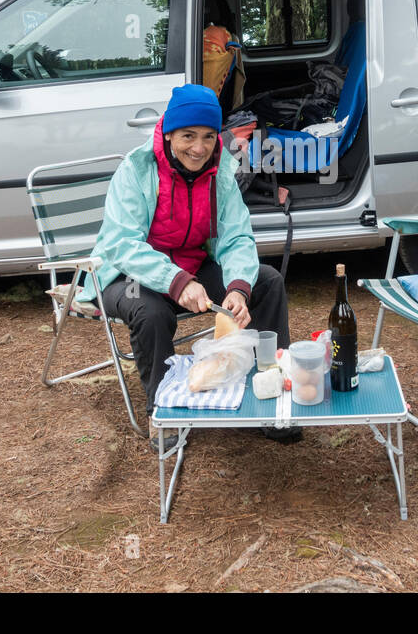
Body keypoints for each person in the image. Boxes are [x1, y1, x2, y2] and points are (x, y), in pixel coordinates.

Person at [81, 83, 297, 451]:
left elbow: (236, 237)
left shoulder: (221, 174)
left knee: (267, 281)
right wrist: (176, 281)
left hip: (190, 269)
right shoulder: (136, 170)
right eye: (188, 136)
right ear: (168, 133)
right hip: (126, 276)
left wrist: (238, 287)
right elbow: (122, 244)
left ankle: (272, 392)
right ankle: (163, 414)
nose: (199, 148)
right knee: (149, 311)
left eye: (209, 137)